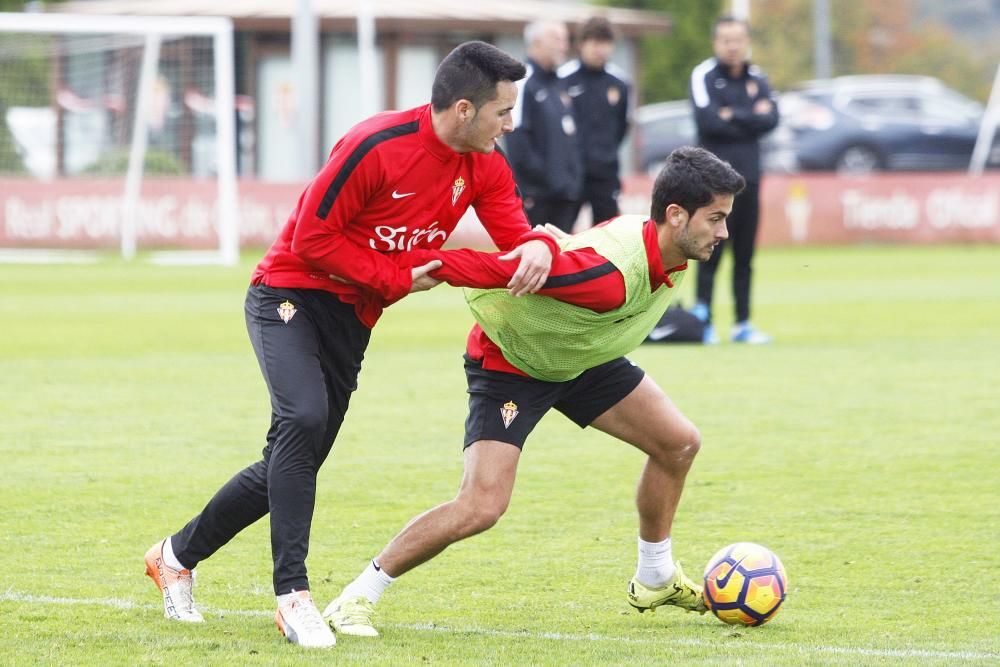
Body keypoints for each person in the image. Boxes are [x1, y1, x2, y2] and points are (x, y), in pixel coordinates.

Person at [142, 41, 558, 650]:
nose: (511, 123)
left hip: (351, 319)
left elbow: (514, 242)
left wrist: (540, 247)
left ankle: (174, 556)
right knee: (302, 421)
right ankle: (293, 596)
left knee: (294, 457)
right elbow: (310, 239)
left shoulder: (487, 165)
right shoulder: (374, 145)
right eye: (504, 111)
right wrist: (397, 276)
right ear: (464, 109)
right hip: (288, 295)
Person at [321, 146, 746, 637]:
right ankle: (355, 597)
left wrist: (550, 240)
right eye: (716, 219)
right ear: (676, 216)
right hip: (513, 361)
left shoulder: (662, 248)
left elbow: (574, 248)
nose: (724, 232)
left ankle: (655, 575)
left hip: (579, 355)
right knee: (481, 507)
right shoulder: (606, 279)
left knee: (679, 442)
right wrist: (393, 269)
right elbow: (494, 270)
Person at [689, 15, 779, 344]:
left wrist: (734, 114)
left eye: (738, 39)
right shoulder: (704, 75)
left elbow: (771, 118)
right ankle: (704, 320)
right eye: (726, 39)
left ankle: (743, 323)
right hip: (712, 184)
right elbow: (709, 121)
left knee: (745, 255)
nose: (733, 45)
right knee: (707, 251)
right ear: (716, 43)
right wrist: (749, 116)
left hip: (750, 180)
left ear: (746, 41)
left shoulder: (757, 76)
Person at [505, 19, 584, 233]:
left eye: (565, 40)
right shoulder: (521, 83)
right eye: (557, 39)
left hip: (565, 197)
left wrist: (572, 181)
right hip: (538, 198)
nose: (563, 45)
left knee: (563, 262)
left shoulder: (559, 83)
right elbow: (516, 139)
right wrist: (544, 182)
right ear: (536, 42)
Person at [559, 16, 631, 226]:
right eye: (596, 42)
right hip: (570, 174)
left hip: (605, 174)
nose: (601, 49)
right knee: (558, 232)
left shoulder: (620, 82)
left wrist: (604, 152)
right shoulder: (563, 78)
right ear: (582, 43)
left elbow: (622, 126)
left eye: (606, 43)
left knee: (607, 237)